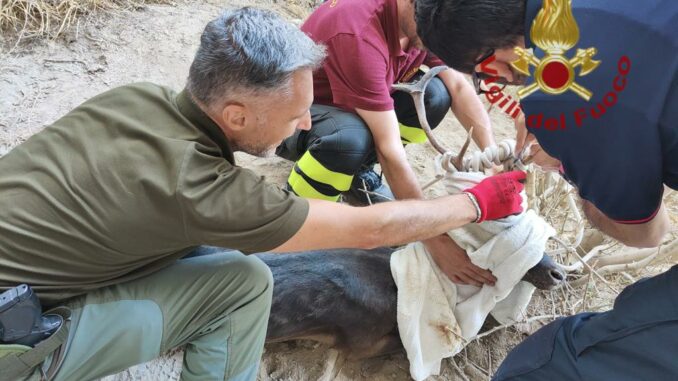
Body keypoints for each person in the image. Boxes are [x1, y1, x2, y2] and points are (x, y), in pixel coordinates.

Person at [0, 7, 526, 381]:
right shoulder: (202, 188)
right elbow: (374, 228)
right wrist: (477, 203)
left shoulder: (135, 98)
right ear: (236, 114)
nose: (304, 121)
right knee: (245, 284)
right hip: (14, 337)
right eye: (295, 111)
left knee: (201, 252)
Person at [415, 0, 678, 379]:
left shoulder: (561, 97)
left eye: (488, 77)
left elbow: (649, 232)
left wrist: (572, 163)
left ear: (497, 60)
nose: (497, 84)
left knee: (540, 367)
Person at [277, 0, 502, 288]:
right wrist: (434, 240)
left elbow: (458, 86)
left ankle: (354, 174)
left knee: (436, 94)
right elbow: (390, 151)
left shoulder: (426, 19)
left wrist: (492, 155)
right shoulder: (360, 34)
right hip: (294, 123)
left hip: (351, 107)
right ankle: (302, 218)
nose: (437, 42)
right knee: (349, 140)